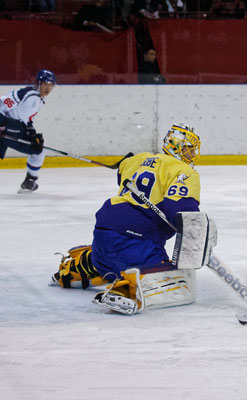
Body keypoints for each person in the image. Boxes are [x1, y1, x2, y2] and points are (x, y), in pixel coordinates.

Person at [51, 124, 205, 315]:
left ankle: (74, 269)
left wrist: (131, 163)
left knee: (108, 260)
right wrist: (196, 230)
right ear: (177, 147)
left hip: (105, 229)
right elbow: (180, 210)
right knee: (180, 281)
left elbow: (122, 170)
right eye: (188, 149)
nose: (191, 154)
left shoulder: (140, 158)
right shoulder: (184, 172)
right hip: (136, 241)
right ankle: (127, 288)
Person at [0, 69, 56, 193]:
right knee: (40, 151)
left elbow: (27, 119)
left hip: (9, 131)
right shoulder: (28, 93)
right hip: (8, 129)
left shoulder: (39, 100)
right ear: (39, 83)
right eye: (45, 84)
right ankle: (29, 181)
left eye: (51, 85)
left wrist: (31, 133)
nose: (48, 88)